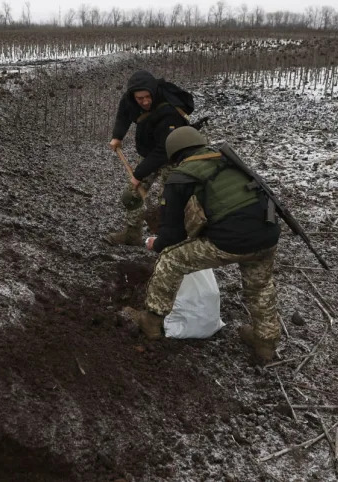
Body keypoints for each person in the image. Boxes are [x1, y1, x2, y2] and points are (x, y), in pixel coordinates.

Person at [123, 126, 282, 363]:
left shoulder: (180, 177)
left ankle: (151, 322)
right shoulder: (228, 162)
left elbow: (172, 236)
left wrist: (156, 245)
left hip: (231, 240)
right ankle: (265, 343)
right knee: (259, 287)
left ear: (174, 155)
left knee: (171, 259)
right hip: (267, 234)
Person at [106, 70, 195, 246]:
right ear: (133, 96)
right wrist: (117, 136)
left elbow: (163, 151)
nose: (145, 101)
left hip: (173, 157)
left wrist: (138, 174)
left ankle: (171, 241)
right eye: (140, 98)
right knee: (130, 196)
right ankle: (132, 235)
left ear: (153, 92)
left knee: (169, 202)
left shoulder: (169, 111)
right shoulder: (129, 98)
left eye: (148, 97)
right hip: (149, 153)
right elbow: (124, 113)